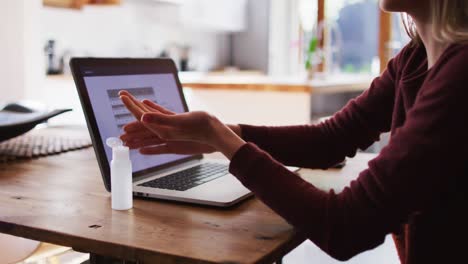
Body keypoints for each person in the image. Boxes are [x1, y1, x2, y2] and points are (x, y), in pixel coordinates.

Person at [118, 0, 468, 263]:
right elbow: (330, 140)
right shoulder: (415, 59)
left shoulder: (460, 75)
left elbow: (346, 225)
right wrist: (221, 133)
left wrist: (218, 137)